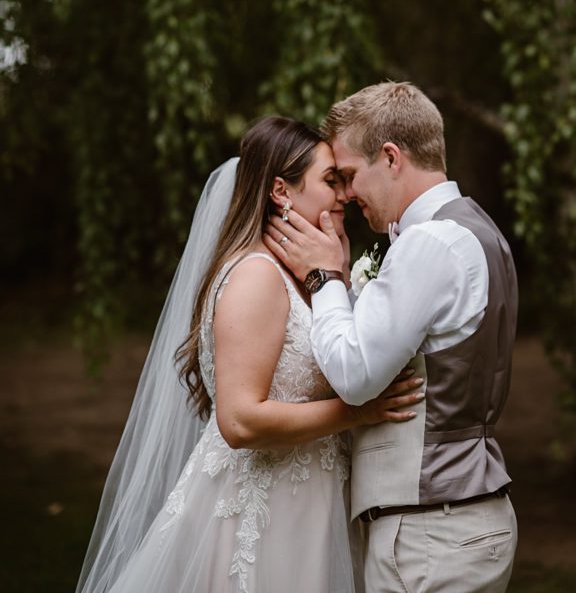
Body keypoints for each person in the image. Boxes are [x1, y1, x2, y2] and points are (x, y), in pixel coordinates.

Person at [76, 116, 425, 593]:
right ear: (281, 191)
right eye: (329, 181)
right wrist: (354, 412)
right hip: (259, 511)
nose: (344, 195)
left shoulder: (305, 275)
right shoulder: (257, 276)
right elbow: (239, 421)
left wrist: (336, 277)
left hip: (310, 503)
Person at [265, 83, 519, 593]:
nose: (348, 194)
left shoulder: (429, 243)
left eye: (352, 176)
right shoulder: (477, 230)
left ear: (391, 157)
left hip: (431, 533)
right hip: (457, 521)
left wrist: (325, 279)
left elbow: (355, 376)